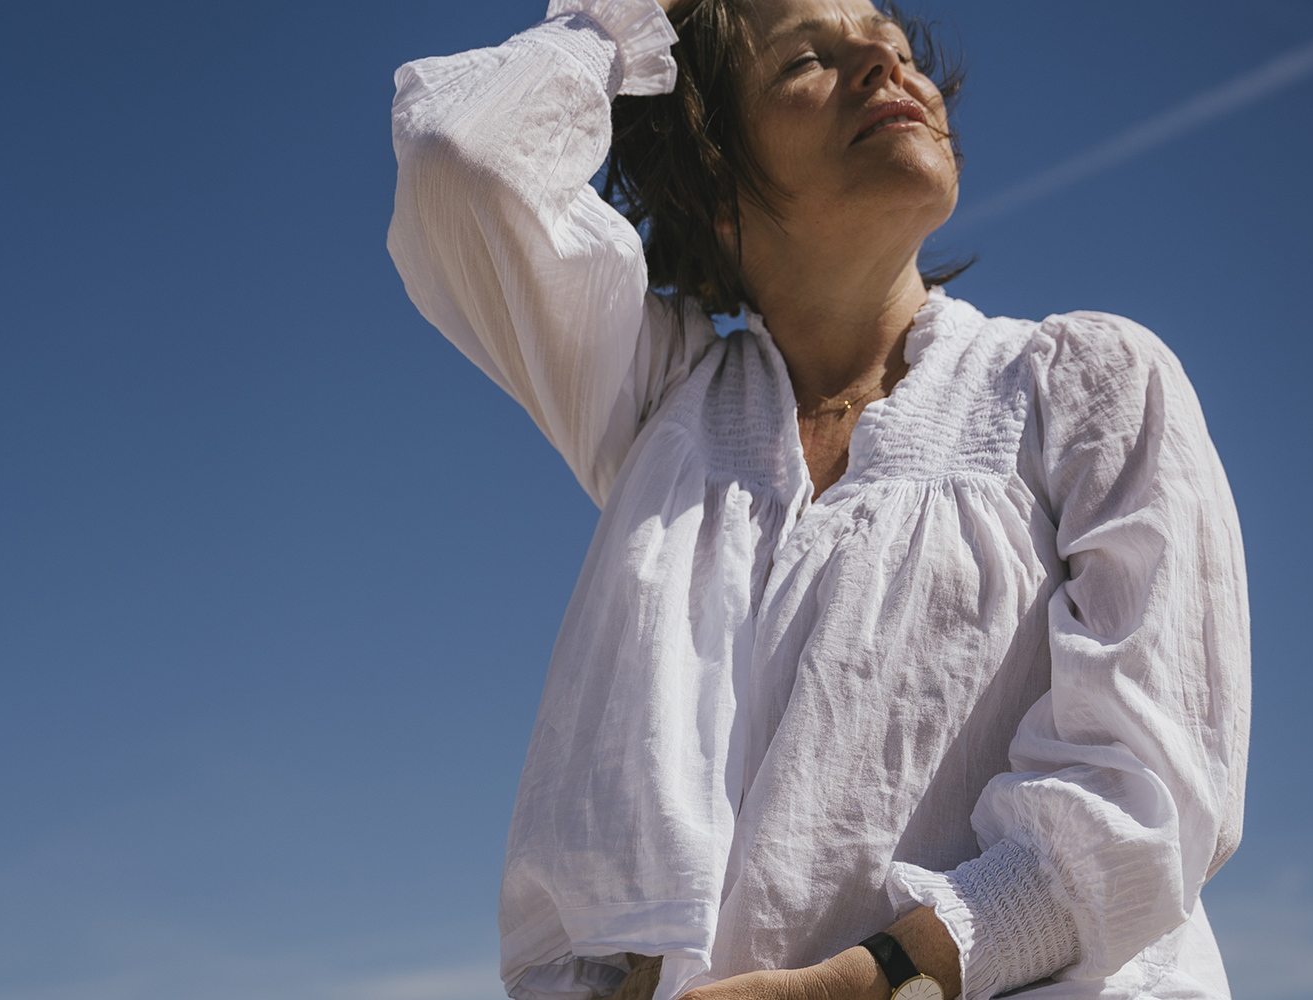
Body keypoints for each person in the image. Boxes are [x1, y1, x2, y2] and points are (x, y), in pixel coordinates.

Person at [386, 0, 1251, 998]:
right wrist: (639, 17)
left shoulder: (1087, 385)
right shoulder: (662, 402)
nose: (885, 58)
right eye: (807, 59)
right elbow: (461, 156)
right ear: (717, 185)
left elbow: (1149, 791)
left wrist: (859, 984)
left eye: (892, 39)